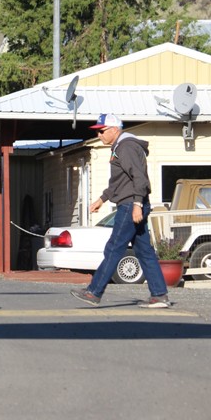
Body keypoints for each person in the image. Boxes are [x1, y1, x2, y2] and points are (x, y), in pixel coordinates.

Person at [71, 113, 171, 309]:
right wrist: (102, 198)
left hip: (130, 205)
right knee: (144, 251)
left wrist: (137, 205)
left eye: (101, 131)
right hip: (131, 203)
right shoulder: (121, 146)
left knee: (114, 247)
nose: (99, 135)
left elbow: (139, 179)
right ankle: (159, 295)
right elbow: (120, 181)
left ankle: (94, 292)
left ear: (114, 130)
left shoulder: (126, 147)